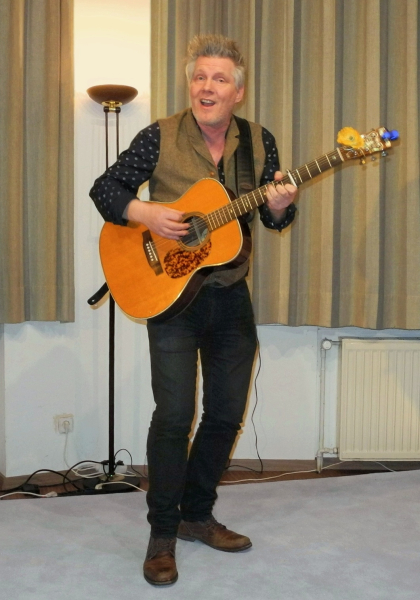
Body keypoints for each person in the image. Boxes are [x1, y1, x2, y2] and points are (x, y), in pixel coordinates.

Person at [90, 33, 298, 586]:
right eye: (200, 77)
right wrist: (146, 213)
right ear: (191, 85)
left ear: (238, 91)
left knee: (226, 414)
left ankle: (196, 515)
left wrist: (282, 205)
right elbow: (106, 189)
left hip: (230, 296)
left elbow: (271, 219)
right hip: (171, 298)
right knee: (174, 416)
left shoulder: (259, 142)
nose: (207, 87)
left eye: (219, 79)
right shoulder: (158, 135)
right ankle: (162, 533)